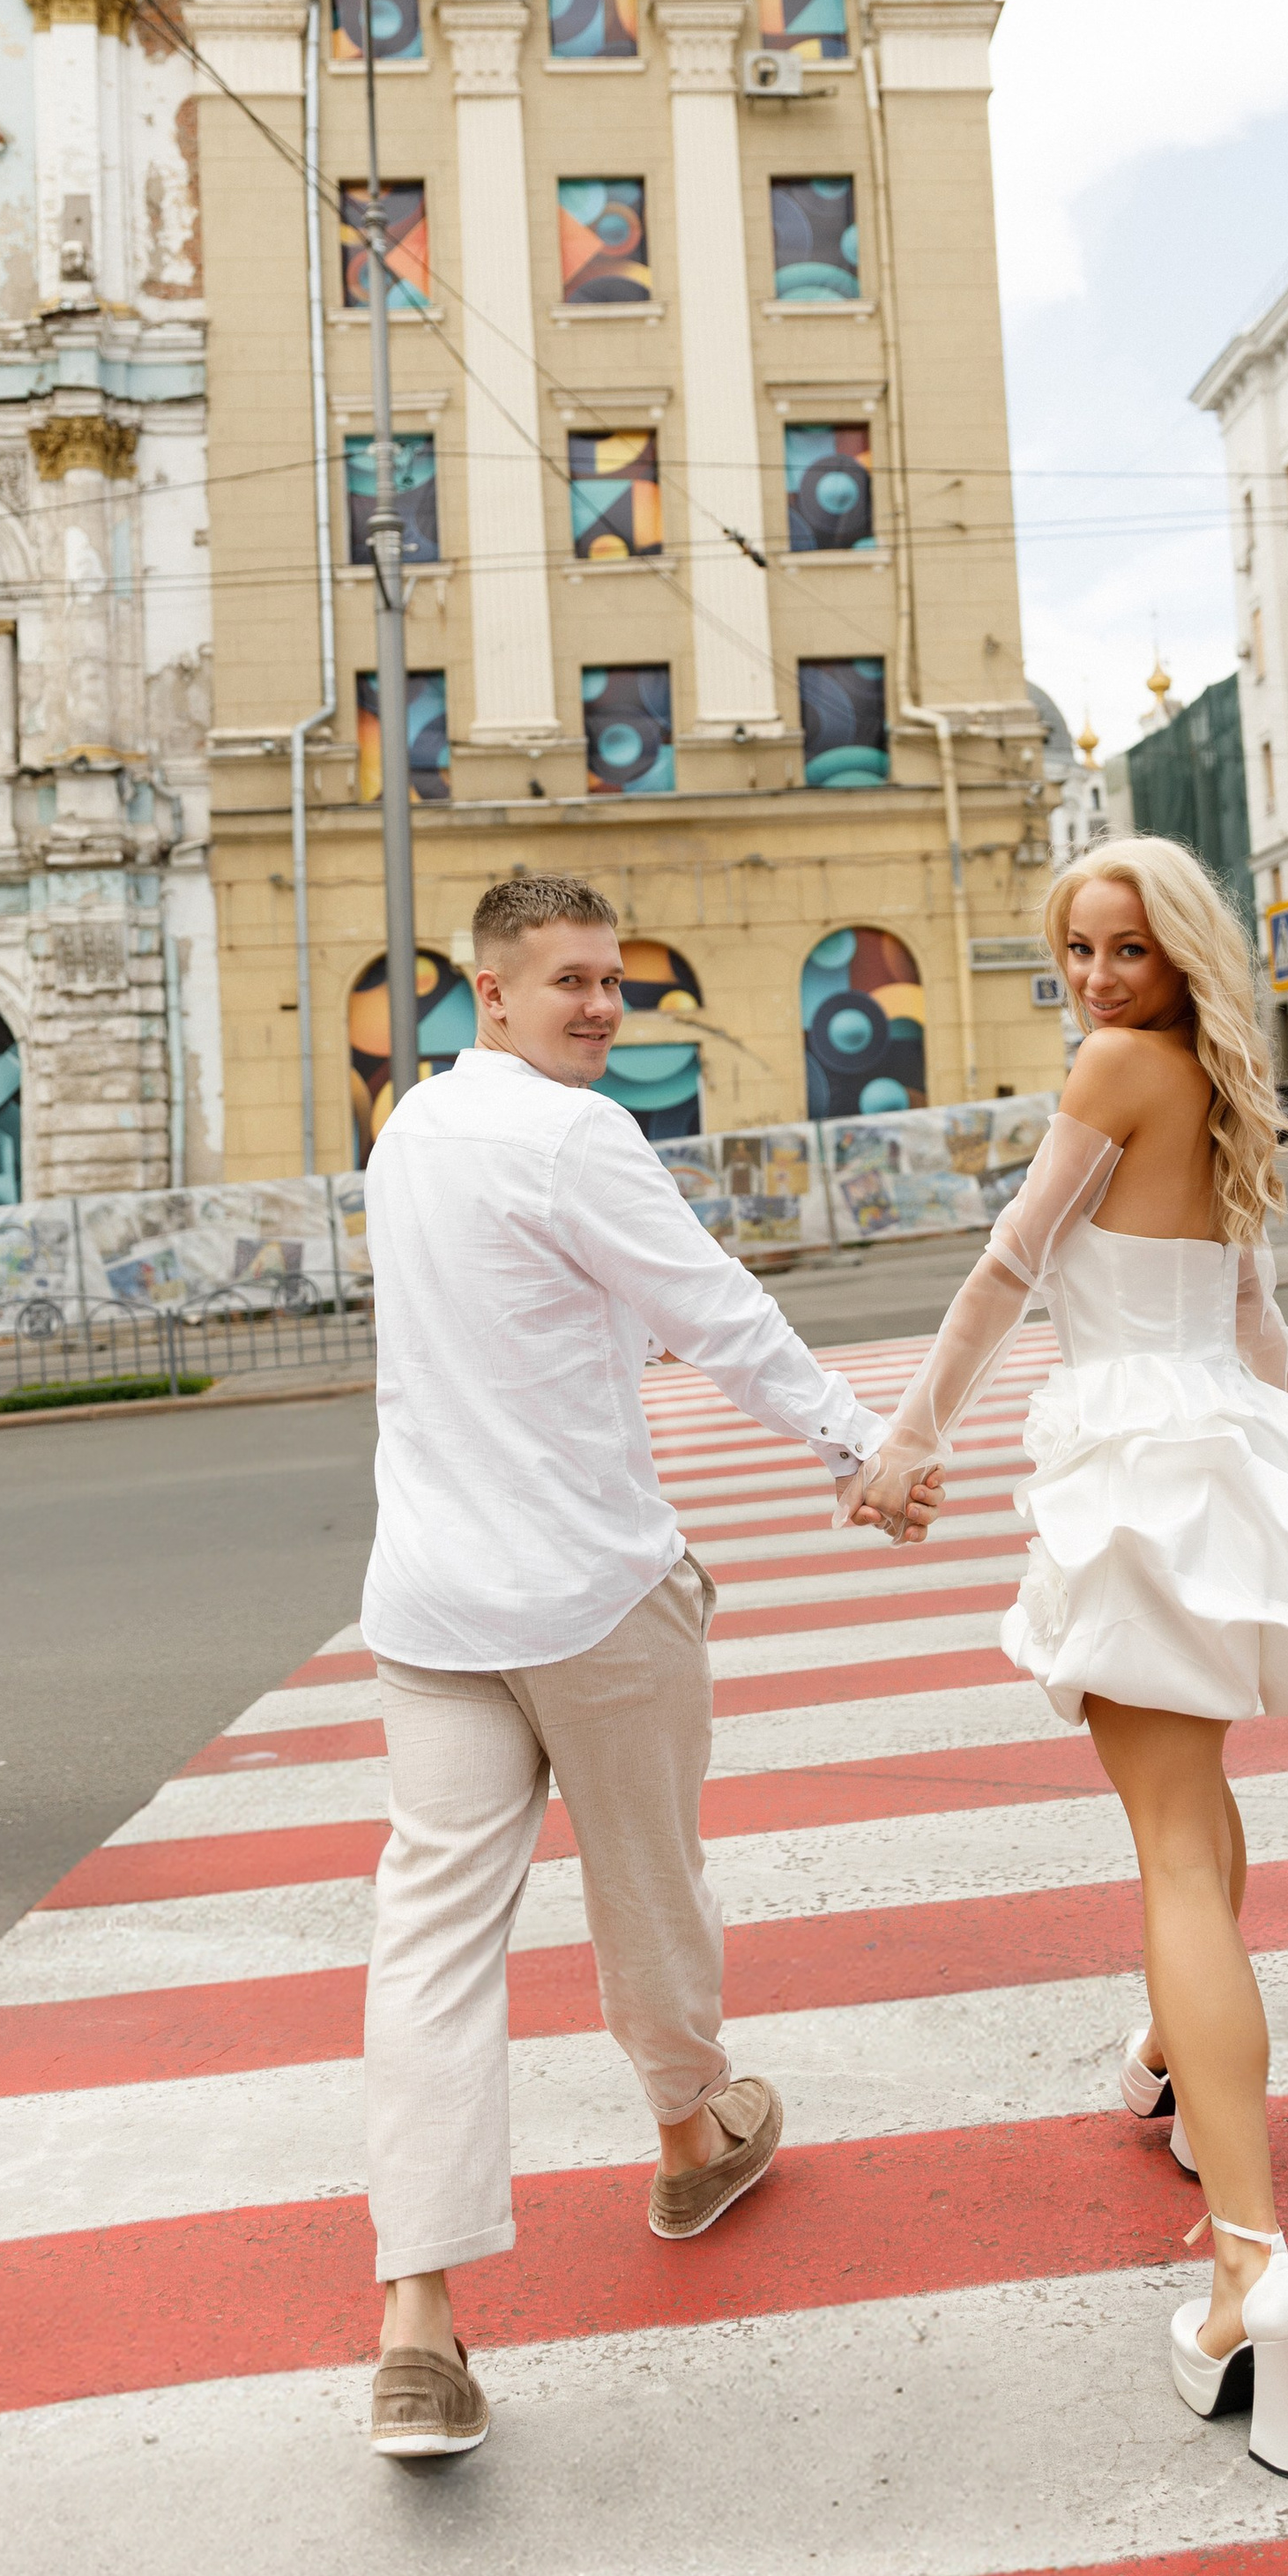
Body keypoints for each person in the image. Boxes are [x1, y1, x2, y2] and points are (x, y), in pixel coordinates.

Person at [361, 871, 942, 2460]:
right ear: (490, 993)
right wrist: (860, 1445)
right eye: (568, 982)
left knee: (427, 1952)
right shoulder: (575, 1138)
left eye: (614, 980)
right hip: (592, 1594)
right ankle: (692, 2138)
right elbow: (719, 1312)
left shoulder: (406, 1135)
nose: (603, 1006)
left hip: (426, 1608)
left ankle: (419, 2326)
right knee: (649, 1884)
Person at [849, 834, 1288, 2483]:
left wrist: (904, 1440)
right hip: (1224, 1453)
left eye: (1128, 948)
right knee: (1197, 1811)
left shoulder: (1111, 1073)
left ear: (1178, 955)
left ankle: (1251, 2274)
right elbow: (1257, 1322)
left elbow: (1012, 1265)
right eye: (1078, 949)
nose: (1098, 977)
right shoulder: (1222, 1079)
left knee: (1166, 1841)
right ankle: (1172, 2062)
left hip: (1140, 1469)